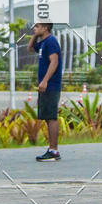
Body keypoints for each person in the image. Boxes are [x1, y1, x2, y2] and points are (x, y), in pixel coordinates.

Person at [29, 22, 62, 162]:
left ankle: (54, 150)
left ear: (45, 27)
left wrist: (45, 80)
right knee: (48, 117)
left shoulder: (51, 41)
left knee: (51, 117)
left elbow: (54, 62)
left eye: (37, 26)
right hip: (45, 86)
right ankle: (51, 149)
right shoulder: (43, 43)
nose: (34, 29)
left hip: (50, 85)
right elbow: (30, 48)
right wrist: (34, 35)